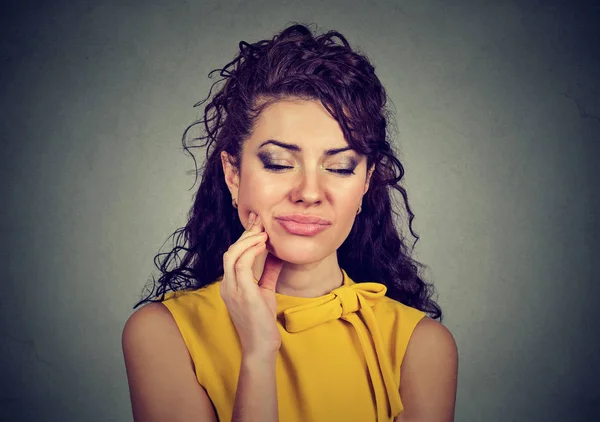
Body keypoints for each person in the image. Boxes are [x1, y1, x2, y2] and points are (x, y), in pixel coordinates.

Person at [122, 23, 458, 422]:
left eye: (339, 167)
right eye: (279, 163)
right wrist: (258, 356)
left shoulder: (420, 347)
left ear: (367, 182)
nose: (309, 192)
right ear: (233, 173)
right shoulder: (163, 334)